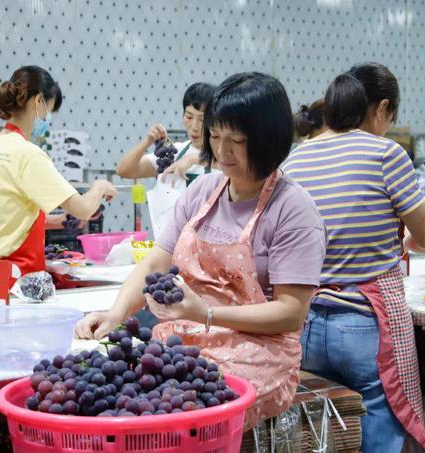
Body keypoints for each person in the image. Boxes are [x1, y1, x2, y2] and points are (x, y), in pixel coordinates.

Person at [77, 72, 327, 429]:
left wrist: (205, 312)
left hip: (259, 354)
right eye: (215, 136)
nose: (222, 151)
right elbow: (157, 260)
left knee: (188, 413)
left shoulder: (293, 210)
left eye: (236, 140)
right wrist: (116, 312)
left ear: (268, 140)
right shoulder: (202, 191)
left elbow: (291, 313)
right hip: (186, 341)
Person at [283, 63, 425, 452]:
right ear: (383, 108)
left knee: (326, 434)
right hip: (363, 324)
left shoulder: (294, 160)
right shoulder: (386, 154)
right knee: (375, 429)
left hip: (304, 323)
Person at [0, 65, 117, 275]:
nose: (48, 119)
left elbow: (3, 213)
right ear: (39, 101)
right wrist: (100, 187)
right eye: (50, 109)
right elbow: (83, 208)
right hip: (17, 278)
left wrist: (55, 221)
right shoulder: (27, 154)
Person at [116, 82, 218, 185]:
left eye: (202, 119)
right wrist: (147, 141)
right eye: (189, 117)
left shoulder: (224, 156)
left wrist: (193, 159)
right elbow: (124, 171)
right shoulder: (174, 153)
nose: (194, 127)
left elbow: (228, 165)